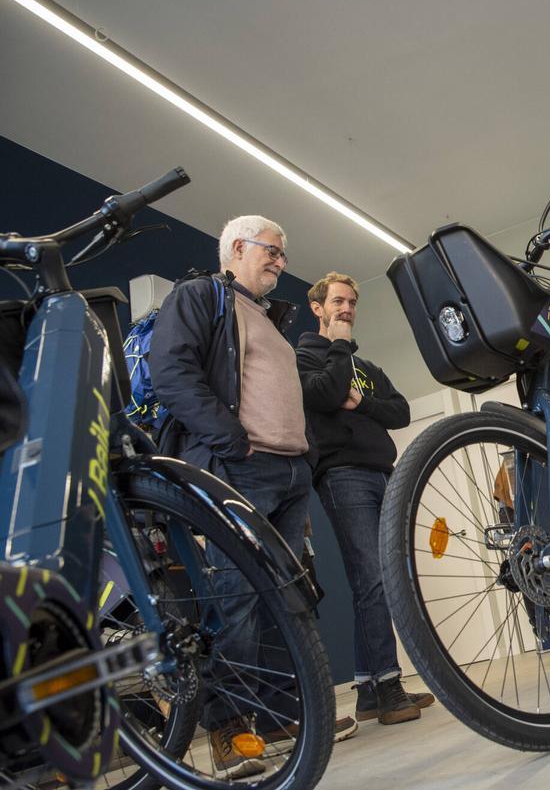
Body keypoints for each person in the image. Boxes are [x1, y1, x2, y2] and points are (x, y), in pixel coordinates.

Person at [152, 216, 356, 779]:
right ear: (238, 247)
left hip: (289, 474)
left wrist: (304, 455)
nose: (281, 262)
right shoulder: (200, 296)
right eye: (274, 251)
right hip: (239, 469)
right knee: (234, 600)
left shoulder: (268, 316)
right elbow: (171, 373)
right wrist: (231, 441)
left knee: (287, 602)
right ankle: (229, 729)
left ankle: (280, 716)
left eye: (283, 254)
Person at [296, 271, 435, 726]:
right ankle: (389, 685)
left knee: (380, 581)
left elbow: (400, 411)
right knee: (372, 580)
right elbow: (324, 393)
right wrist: (338, 348)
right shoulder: (305, 356)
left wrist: (364, 403)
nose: (347, 309)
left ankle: (370, 690)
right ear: (318, 307)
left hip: (384, 475)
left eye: (352, 302)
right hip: (342, 476)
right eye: (338, 301)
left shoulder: (369, 370)